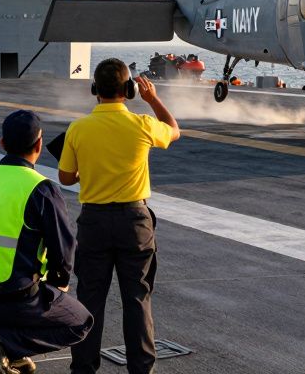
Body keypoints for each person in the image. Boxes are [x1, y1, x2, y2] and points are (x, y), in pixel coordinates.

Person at [58, 60, 180, 374]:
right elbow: (174, 131)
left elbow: (66, 177)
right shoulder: (142, 124)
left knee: (89, 301)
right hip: (135, 221)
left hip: (95, 222)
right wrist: (152, 100)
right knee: (137, 299)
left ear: (94, 90)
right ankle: (141, 370)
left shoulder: (78, 128)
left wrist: (90, 173)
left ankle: (83, 369)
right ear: (129, 90)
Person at [0, 110, 92, 374]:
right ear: (39, 145)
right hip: (10, 299)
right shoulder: (41, 187)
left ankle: (7, 355)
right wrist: (59, 284)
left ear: (2, 143)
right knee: (79, 322)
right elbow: (63, 251)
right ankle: (1, 343)